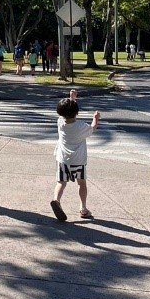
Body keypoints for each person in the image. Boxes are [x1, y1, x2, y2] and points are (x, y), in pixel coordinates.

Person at [50, 89, 101, 222]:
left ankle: (56, 200)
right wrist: (95, 119)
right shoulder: (81, 126)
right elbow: (93, 128)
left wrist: (72, 98)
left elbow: (67, 111)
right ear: (77, 112)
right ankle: (83, 208)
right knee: (81, 183)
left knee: (61, 182)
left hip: (63, 160)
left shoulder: (60, 123)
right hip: (78, 161)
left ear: (60, 113)